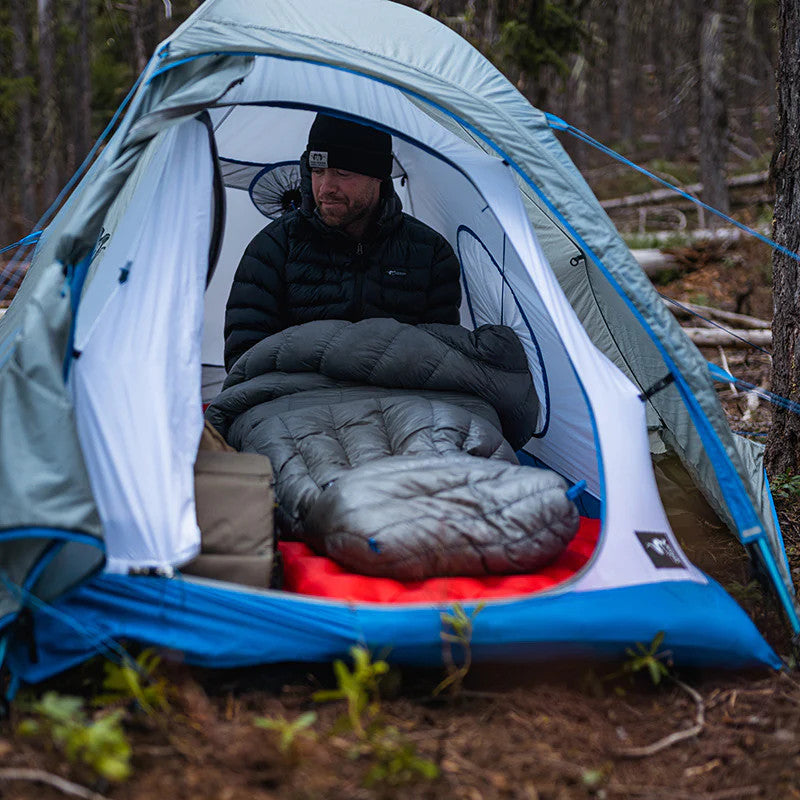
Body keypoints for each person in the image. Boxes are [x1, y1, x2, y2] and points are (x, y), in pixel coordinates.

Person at [223, 113, 462, 370]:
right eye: (317, 171)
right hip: (296, 403)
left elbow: (440, 360)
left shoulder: (429, 254)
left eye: (342, 172)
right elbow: (244, 357)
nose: (326, 187)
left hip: (396, 404)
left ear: (378, 176)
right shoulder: (274, 248)